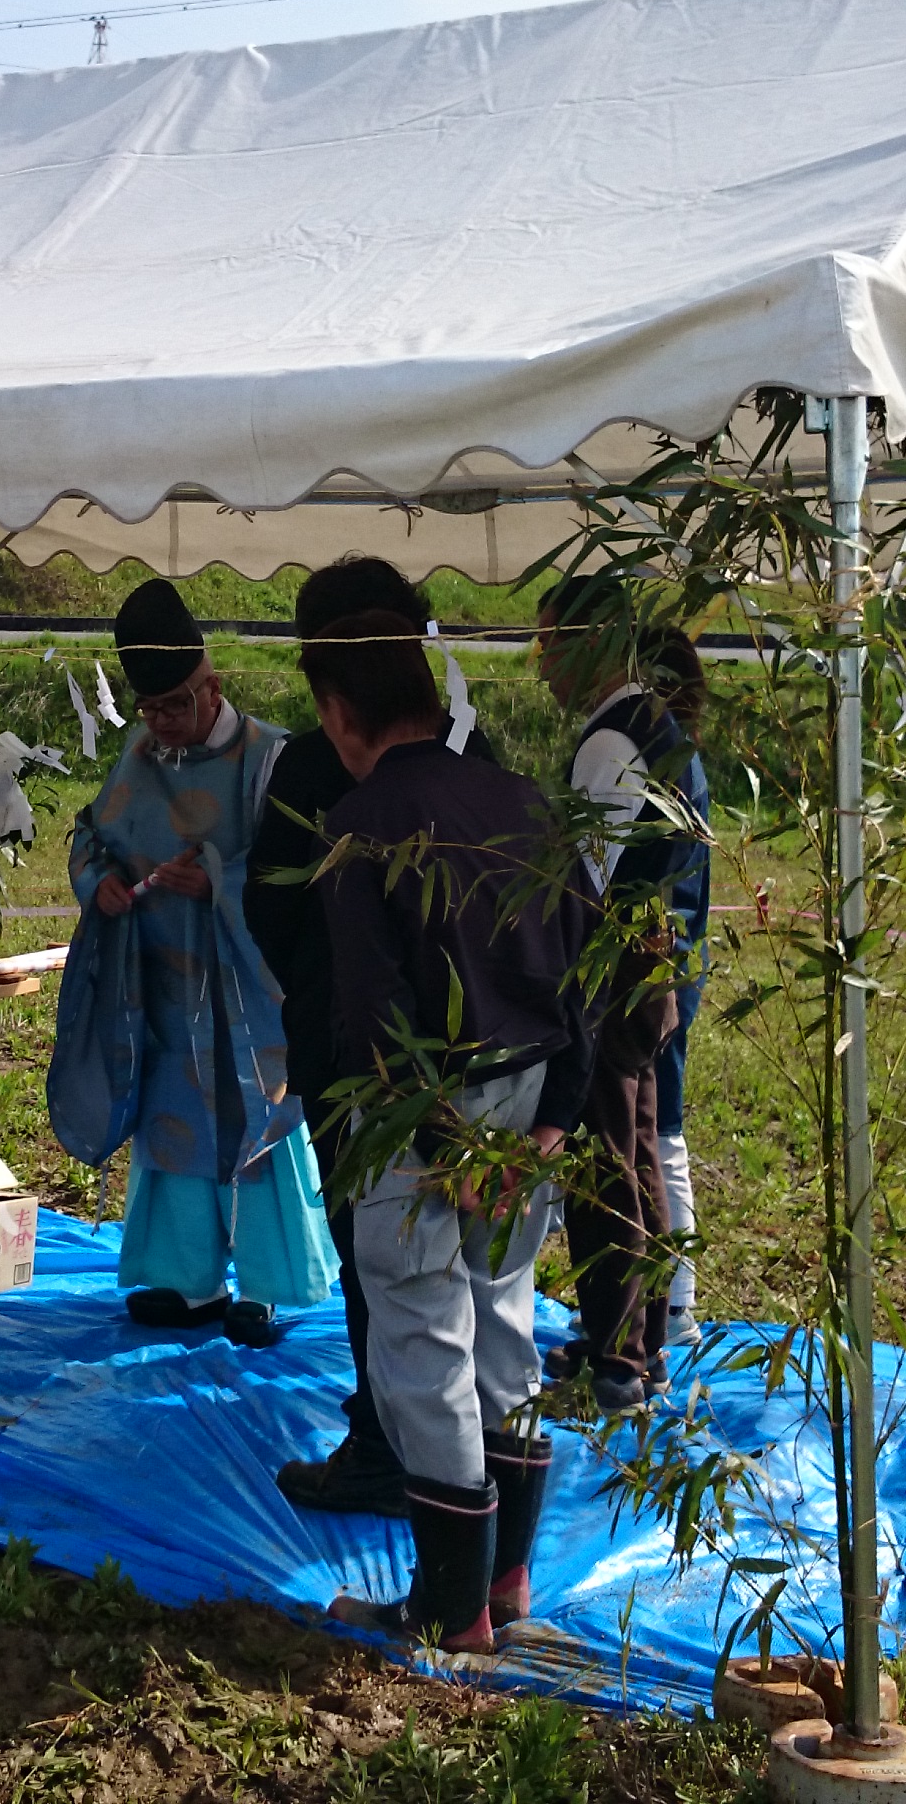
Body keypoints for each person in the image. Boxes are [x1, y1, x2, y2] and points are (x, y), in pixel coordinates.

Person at [305, 607, 590, 1654]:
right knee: (506, 1313)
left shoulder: (361, 827)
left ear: (337, 714)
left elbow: (378, 1022)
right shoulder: (526, 803)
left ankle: (449, 1608)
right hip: (531, 1094)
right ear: (432, 693)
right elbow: (589, 981)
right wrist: (551, 1128)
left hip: (427, 1112)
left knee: (423, 1333)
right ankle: (506, 1582)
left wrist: (438, 1145)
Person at [45, 577, 335, 1347]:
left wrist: (219, 881)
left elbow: (301, 867)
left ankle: (269, 1287)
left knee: (257, 1119)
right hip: (161, 984)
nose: (163, 723)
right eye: (150, 710)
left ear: (212, 686)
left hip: (246, 985)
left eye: (175, 705)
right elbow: (91, 833)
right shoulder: (140, 756)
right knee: (171, 1120)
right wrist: (99, 883)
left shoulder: (271, 757)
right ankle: (187, 1280)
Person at [248, 558, 438, 1519]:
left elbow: (270, 907)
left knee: (375, 1255)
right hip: (465, 1055)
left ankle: (386, 1447)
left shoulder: (319, 769)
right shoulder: (472, 756)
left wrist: (318, 996)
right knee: (454, 1264)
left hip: (352, 1054)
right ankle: (457, 1452)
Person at [534, 575, 711, 1409]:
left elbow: (588, 881)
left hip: (612, 972)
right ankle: (641, 1345)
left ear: (593, 643)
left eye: (549, 645)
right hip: (655, 965)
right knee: (634, 1151)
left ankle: (619, 1358)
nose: (541, 667)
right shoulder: (657, 725)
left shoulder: (612, 741)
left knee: (604, 1164)